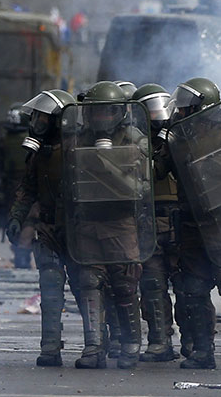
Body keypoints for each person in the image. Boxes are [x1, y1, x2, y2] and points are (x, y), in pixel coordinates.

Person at [164, 78, 221, 370]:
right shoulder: (178, 135)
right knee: (193, 288)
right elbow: (157, 169)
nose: (180, 112)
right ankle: (203, 351)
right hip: (192, 221)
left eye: (185, 108)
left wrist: (201, 164)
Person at [63, 81, 151, 370]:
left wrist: (106, 163)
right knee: (89, 282)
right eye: (96, 113)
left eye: (106, 112)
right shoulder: (76, 139)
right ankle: (93, 347)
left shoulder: (135, 139)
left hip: (120, 220)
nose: (100, 119)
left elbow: (143, 187)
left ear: (119, 112)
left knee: (125, 285)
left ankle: (130, 345)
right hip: (88, 220)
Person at [6, 89, 79, 366]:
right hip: (49, 228)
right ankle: (50, 347)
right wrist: (16, 217)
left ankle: (97, 345)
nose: (37, 122)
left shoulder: (80, 149)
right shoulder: (39, 153)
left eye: (43, 118)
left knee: (87, 288)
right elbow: (27, 188)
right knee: (50, 287)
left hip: (78, 229)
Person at [133, 83, 182, 362]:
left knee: (188, 287)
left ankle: (196, 343)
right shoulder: (131, 144)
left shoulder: (182, 138)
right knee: (152, 285)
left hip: (180, 222)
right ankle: (159, 341)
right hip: (148, 221)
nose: (157, 116)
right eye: (150, 111)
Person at [0, 103, 35, 269]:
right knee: (28, 220)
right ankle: (22, 254)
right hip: (29, 182)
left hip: (11, 185)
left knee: (15, 218)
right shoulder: (32, 140)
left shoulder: (4, 140)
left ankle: (19, 253)